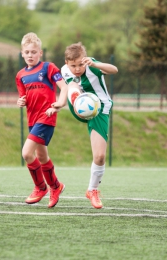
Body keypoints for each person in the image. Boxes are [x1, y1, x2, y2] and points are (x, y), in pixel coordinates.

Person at [61, 42, 118, 209]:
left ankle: (92, 190)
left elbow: (114, 70)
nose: (77, 68)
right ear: (66, 63)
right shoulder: (65, 70)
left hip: (100, 109)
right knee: (72, 84)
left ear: (85, 60)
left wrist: (95, 64)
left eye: (80, 64)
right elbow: (67, 87)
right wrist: (60, 103)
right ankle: (79, 103)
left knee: (99, 156)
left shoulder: (92, 66)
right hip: (78, 105)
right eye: (73, 65)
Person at [15, 32, 68, 208]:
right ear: (22, 53)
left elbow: (64, 87)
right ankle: (56, 186)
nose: (30, 55)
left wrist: (59, 103)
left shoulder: (48, 68)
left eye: (33, 52)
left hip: (47, 117)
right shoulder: (20, 75)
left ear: (40, 53)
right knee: (42, 156)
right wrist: (21, 101)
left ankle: (40, 187)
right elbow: (23, 97)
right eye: (27, 52)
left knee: (26, 154)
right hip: (32, 119)